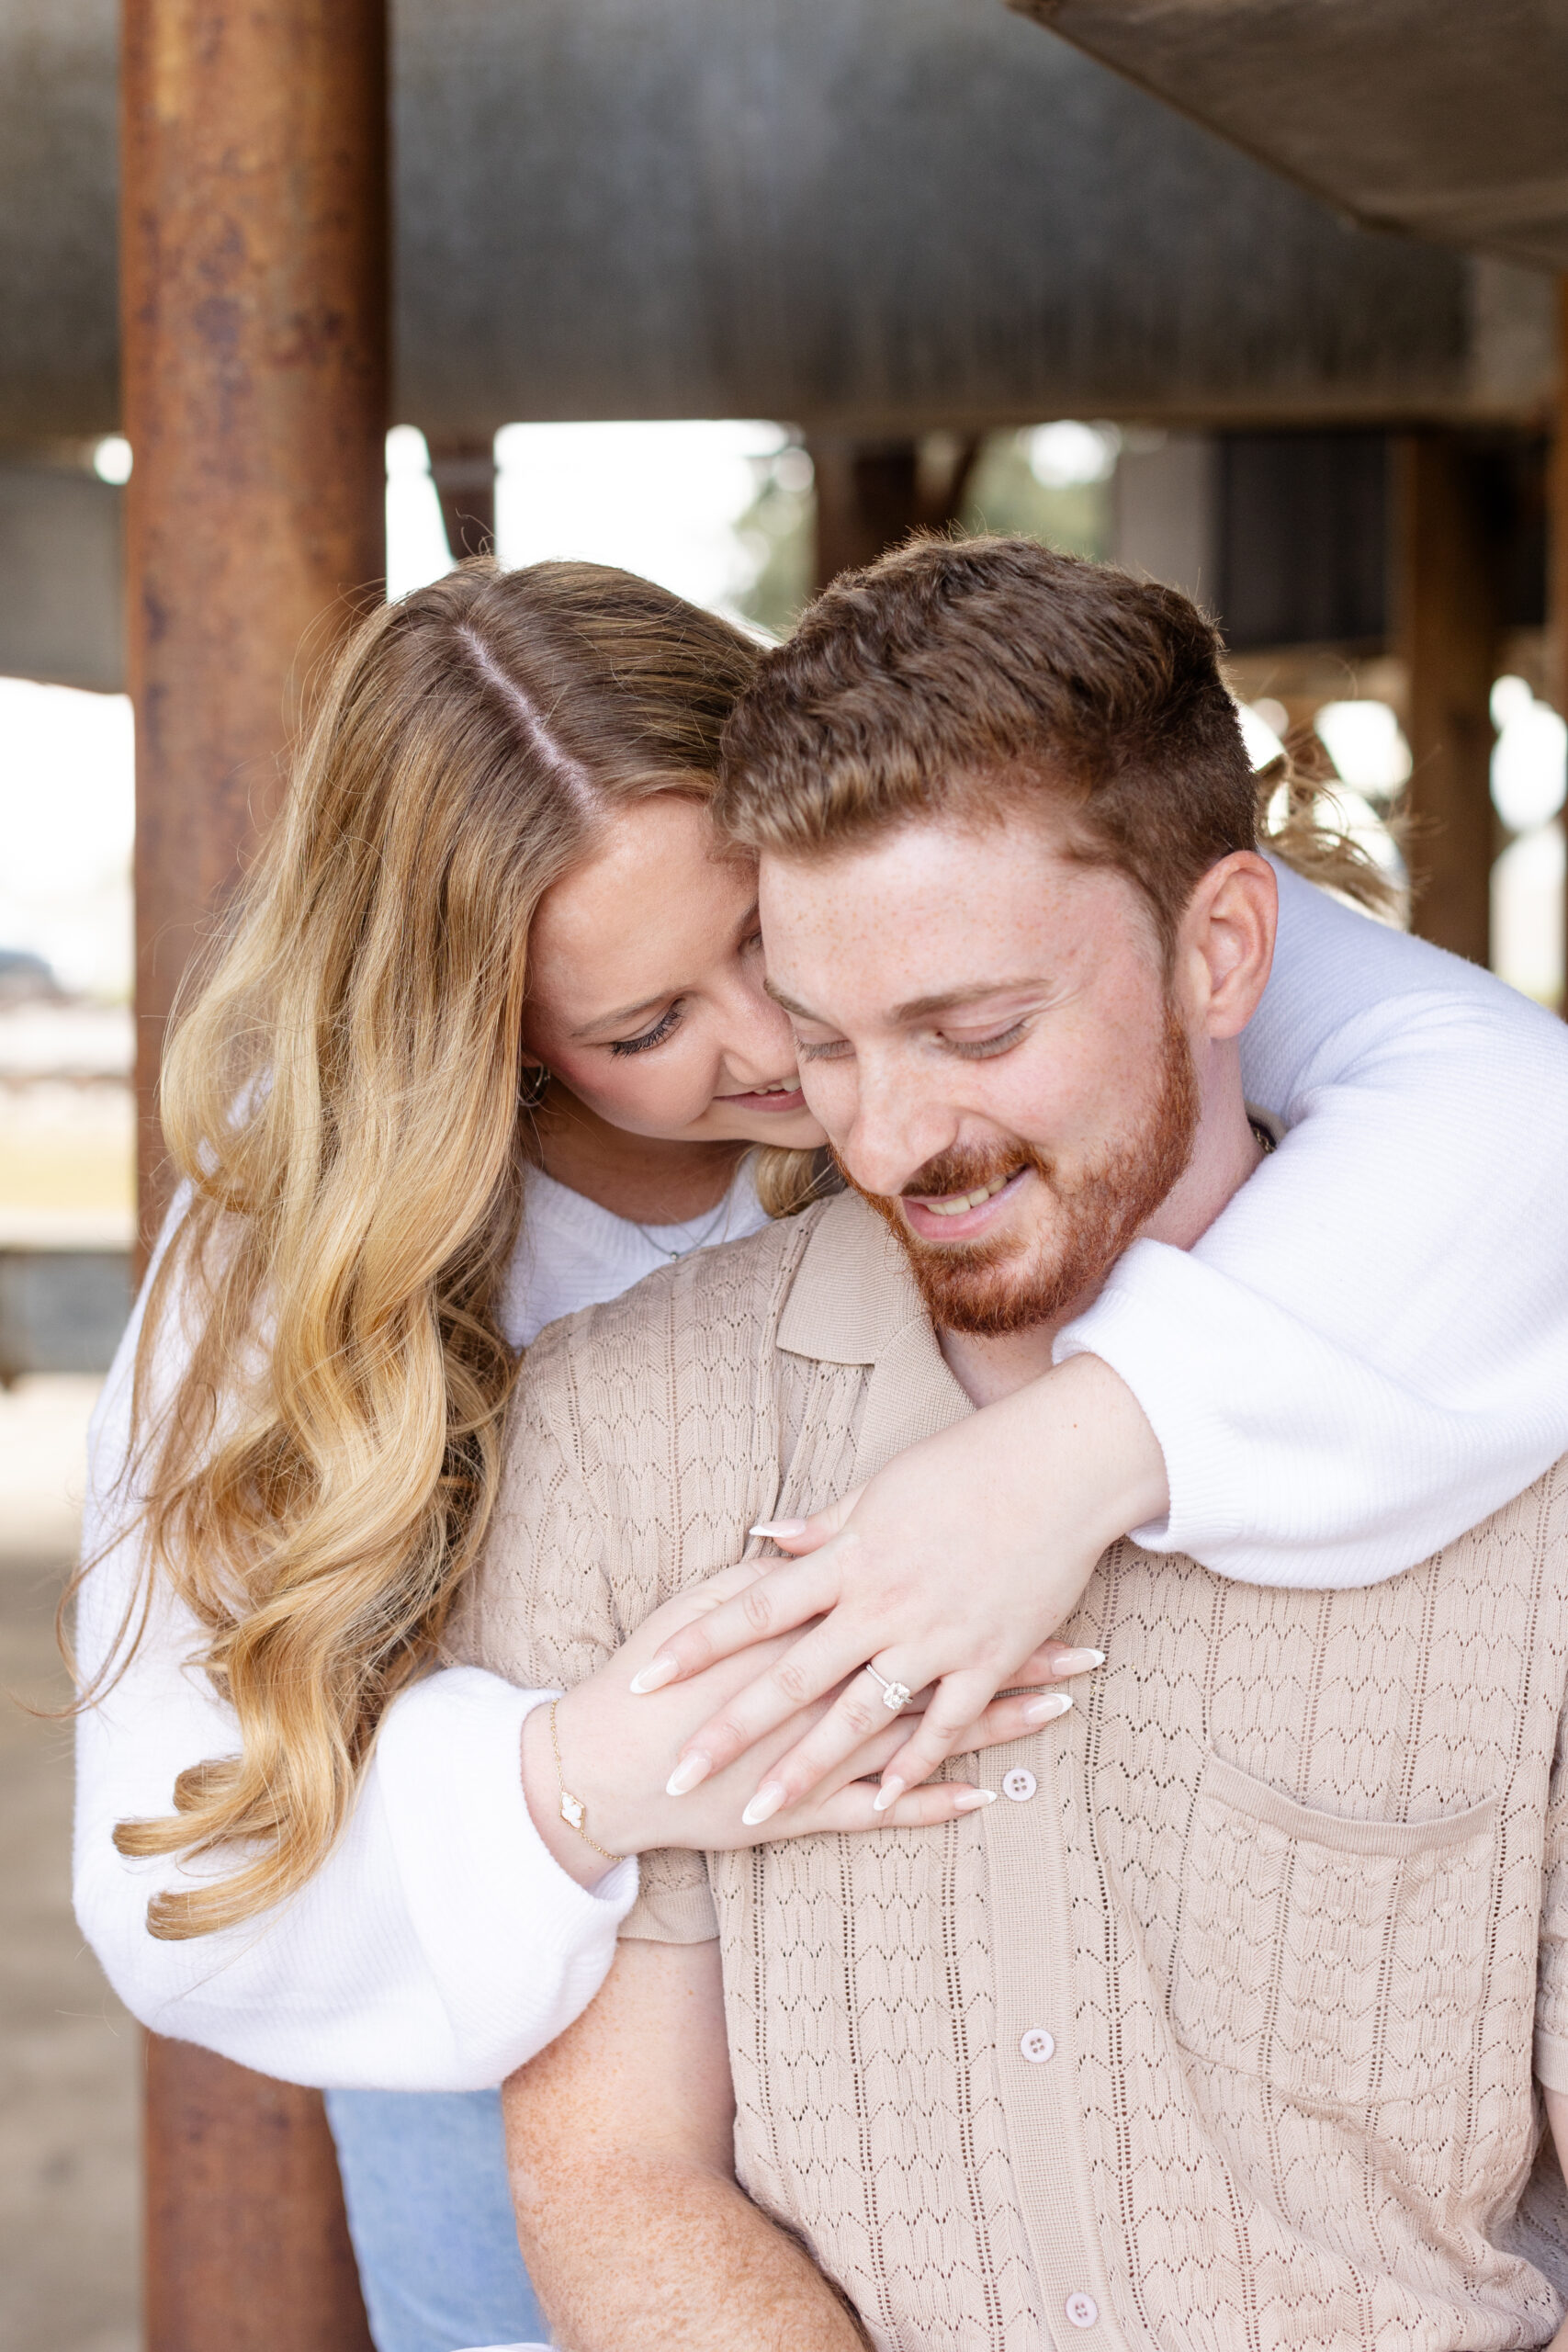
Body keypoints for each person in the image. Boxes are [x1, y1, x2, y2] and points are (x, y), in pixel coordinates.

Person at [73, 553, 1568, 2352]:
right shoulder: (313, 1248)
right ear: (499, 1039)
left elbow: (1498, 1107)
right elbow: (168, 1867)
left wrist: (1068, 1455)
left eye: (771, 949)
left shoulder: (969, 879)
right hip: (508, 1997)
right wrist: (578, 1774)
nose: (787, 1052)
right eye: (642, 1028)